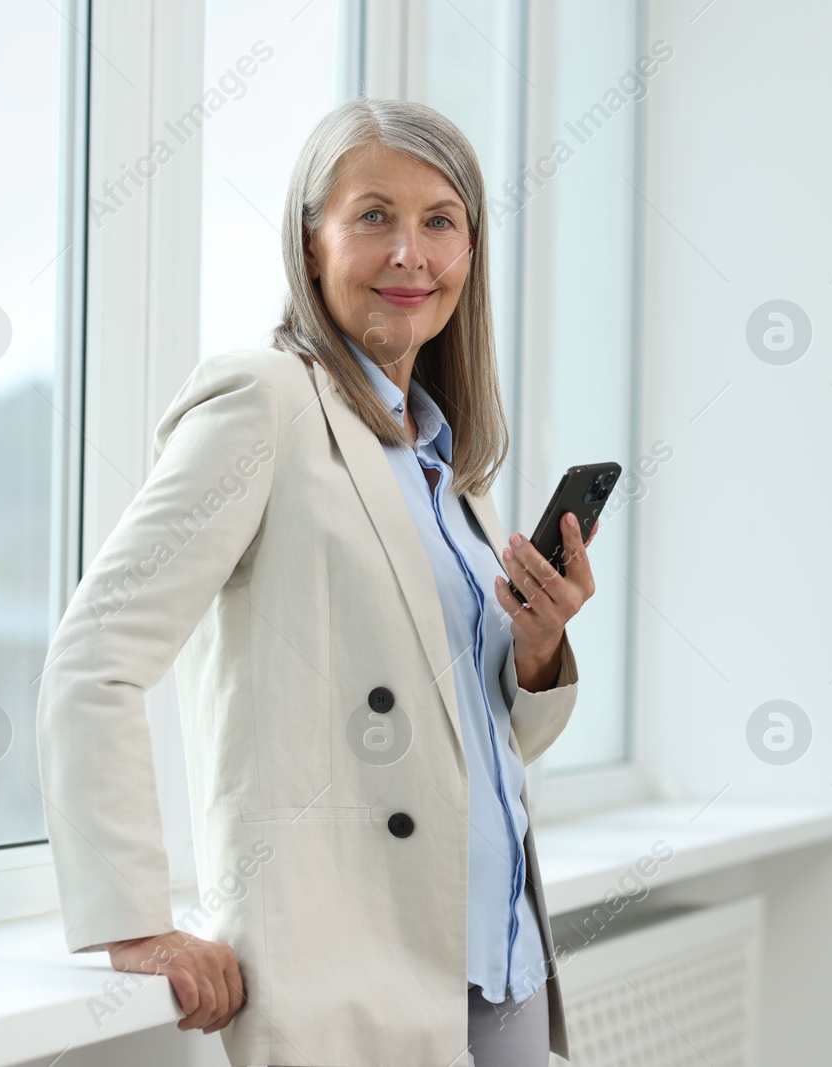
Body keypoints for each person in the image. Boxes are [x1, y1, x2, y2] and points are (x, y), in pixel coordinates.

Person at [36, 97, 599, 1067]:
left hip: (503, 954)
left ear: (471, 249)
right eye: (372, 215)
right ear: (311, 238)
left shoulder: (442, 459)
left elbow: (483, 737)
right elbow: (93, 659)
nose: (409, 254)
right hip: (356, 969)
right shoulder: (265, 401)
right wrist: (133, 920)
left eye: (439, 221)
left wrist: (540, 647)